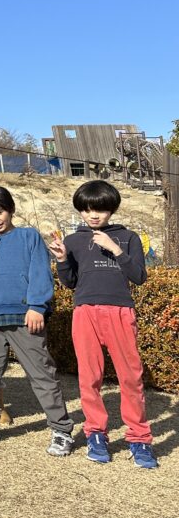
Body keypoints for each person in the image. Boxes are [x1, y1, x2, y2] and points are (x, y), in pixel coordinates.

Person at [0, 186, 75, 456]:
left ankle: (61, 428)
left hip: (25, 316)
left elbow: (40, 271)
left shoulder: (29, 236)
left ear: (10, 209)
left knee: (41, 373)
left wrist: (37, 305)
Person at [48, 180, 157, 468]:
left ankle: (139, 439)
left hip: (120, 311)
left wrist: (115, 249)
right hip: (85, 311)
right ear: (80, 210)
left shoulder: (128, 237)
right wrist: (61, 259)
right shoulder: (73, 240)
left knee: (131, 377)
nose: (93, 215)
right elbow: (70, 282)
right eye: (87, 209)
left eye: (100, 209)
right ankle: (96, 434)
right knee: (89, 377)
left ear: (112, 209)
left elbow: (139, 277)